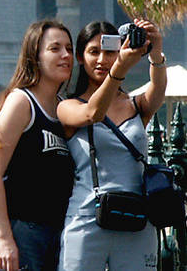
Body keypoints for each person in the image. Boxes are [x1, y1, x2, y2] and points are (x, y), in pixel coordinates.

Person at [57, 19, 166, 270]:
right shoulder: (68, 106)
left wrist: (156, 51)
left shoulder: (135, 105)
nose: (102, 60)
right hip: (87, 219)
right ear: (80, 57)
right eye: (94, 51)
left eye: (110, 51)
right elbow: (92, 113)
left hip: (138, 219)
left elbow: (158, 90)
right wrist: (120, 67)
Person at [0, 20, 75, 271]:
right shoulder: (21, 103)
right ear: (35, 55)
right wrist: (4, 238)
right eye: (55, 48)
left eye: (69, 48)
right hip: (20, 231)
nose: (65, 55)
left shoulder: (64, 108)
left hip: (55, 233)